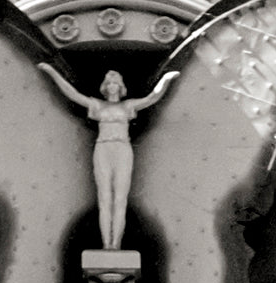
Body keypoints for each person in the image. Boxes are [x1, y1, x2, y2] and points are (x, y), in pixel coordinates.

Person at [38, 63, 178, 249]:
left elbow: (153, 97)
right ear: (105, 87)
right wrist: (51, 71)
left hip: (122, 149)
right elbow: (71, 93)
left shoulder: (128, 105)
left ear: (120, 87)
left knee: (120, 198)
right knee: (104, 198)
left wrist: (166, 79)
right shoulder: (97, 105)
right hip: (103, 148)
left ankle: (116, 244)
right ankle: (107, 245)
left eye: (115, 82)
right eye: (109, 82)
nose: (112, 85)